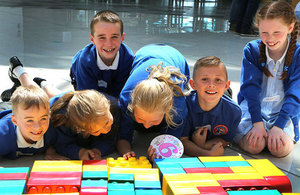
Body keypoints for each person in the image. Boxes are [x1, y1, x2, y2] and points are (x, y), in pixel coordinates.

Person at [5, 56, 118, 160]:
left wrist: (96, 150)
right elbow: (59, 143)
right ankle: (18, 70)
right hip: (56, 104)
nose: (106, 129)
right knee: (35, 96)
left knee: (54, 96)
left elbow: (111, 140)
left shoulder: (111, 106)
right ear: (80, 128)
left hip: (72, 99)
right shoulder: (56, 117)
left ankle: (43, 83)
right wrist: (78, 152)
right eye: (97, 130)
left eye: (107, 122)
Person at [235, 1, 300, 157]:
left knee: (279, 150)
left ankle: (276, 134)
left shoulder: (298, 55)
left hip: (282, 113)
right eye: (264, 32)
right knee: (254, 147)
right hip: (253, 110)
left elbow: (295, 95)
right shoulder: (252, 49)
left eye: (277, 32)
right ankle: (250, 132)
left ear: (290, 28)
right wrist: (257, 123)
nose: (270, 39)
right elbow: (250, 90)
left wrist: (278, 126)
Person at [117, 44, 190, 161]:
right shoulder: (126, 97)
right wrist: (126, 151)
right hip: (144, 52)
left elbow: (173, 142)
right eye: (140, 119)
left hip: (174, 56)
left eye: (154, 121)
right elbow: (123, 136)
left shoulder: (178, 102)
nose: (146, 126)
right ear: (132, 106)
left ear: (169, 107)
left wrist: (161, 152)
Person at [181, 56, 241, 156]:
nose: (211, 84)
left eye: (218, 80)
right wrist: (207, 153)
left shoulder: (234, 112)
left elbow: (225, 140)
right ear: (193, 84)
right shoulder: (184, 107)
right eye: (205, 79)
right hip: (200, 95)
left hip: (222, 97)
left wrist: (203, 145)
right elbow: (182, 141)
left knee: (219, 94)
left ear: (227, 85)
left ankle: (226, 92)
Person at [70, 10, 134, 98]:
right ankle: (45, 84)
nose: (109, 44)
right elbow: (89, 99)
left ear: (122, 38)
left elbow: (122, 96)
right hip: (79, 73)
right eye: (102, 37)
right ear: (92, 39)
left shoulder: (128, 59)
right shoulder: (85, 61)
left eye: (114, 37)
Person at [0, 85, 59, 159]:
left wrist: (51, 151)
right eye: (30, 120)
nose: (37, 126)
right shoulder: (2, 136)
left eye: (43, 118)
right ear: (15, 121)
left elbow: (62, 142)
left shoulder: (54, 129)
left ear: (49, 116)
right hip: (4, 110)